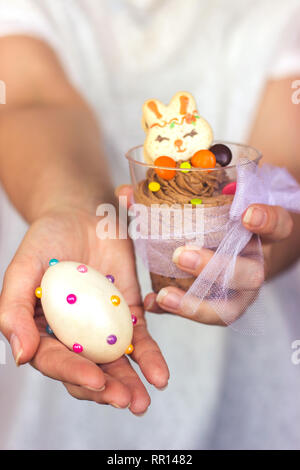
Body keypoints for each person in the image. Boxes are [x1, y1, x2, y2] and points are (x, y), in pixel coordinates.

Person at [0, 0, 299, 450]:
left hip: (252, 368)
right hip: (64, 389)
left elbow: (286, 170)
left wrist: (258, 239)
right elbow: (31, 99)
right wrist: (70, 203)